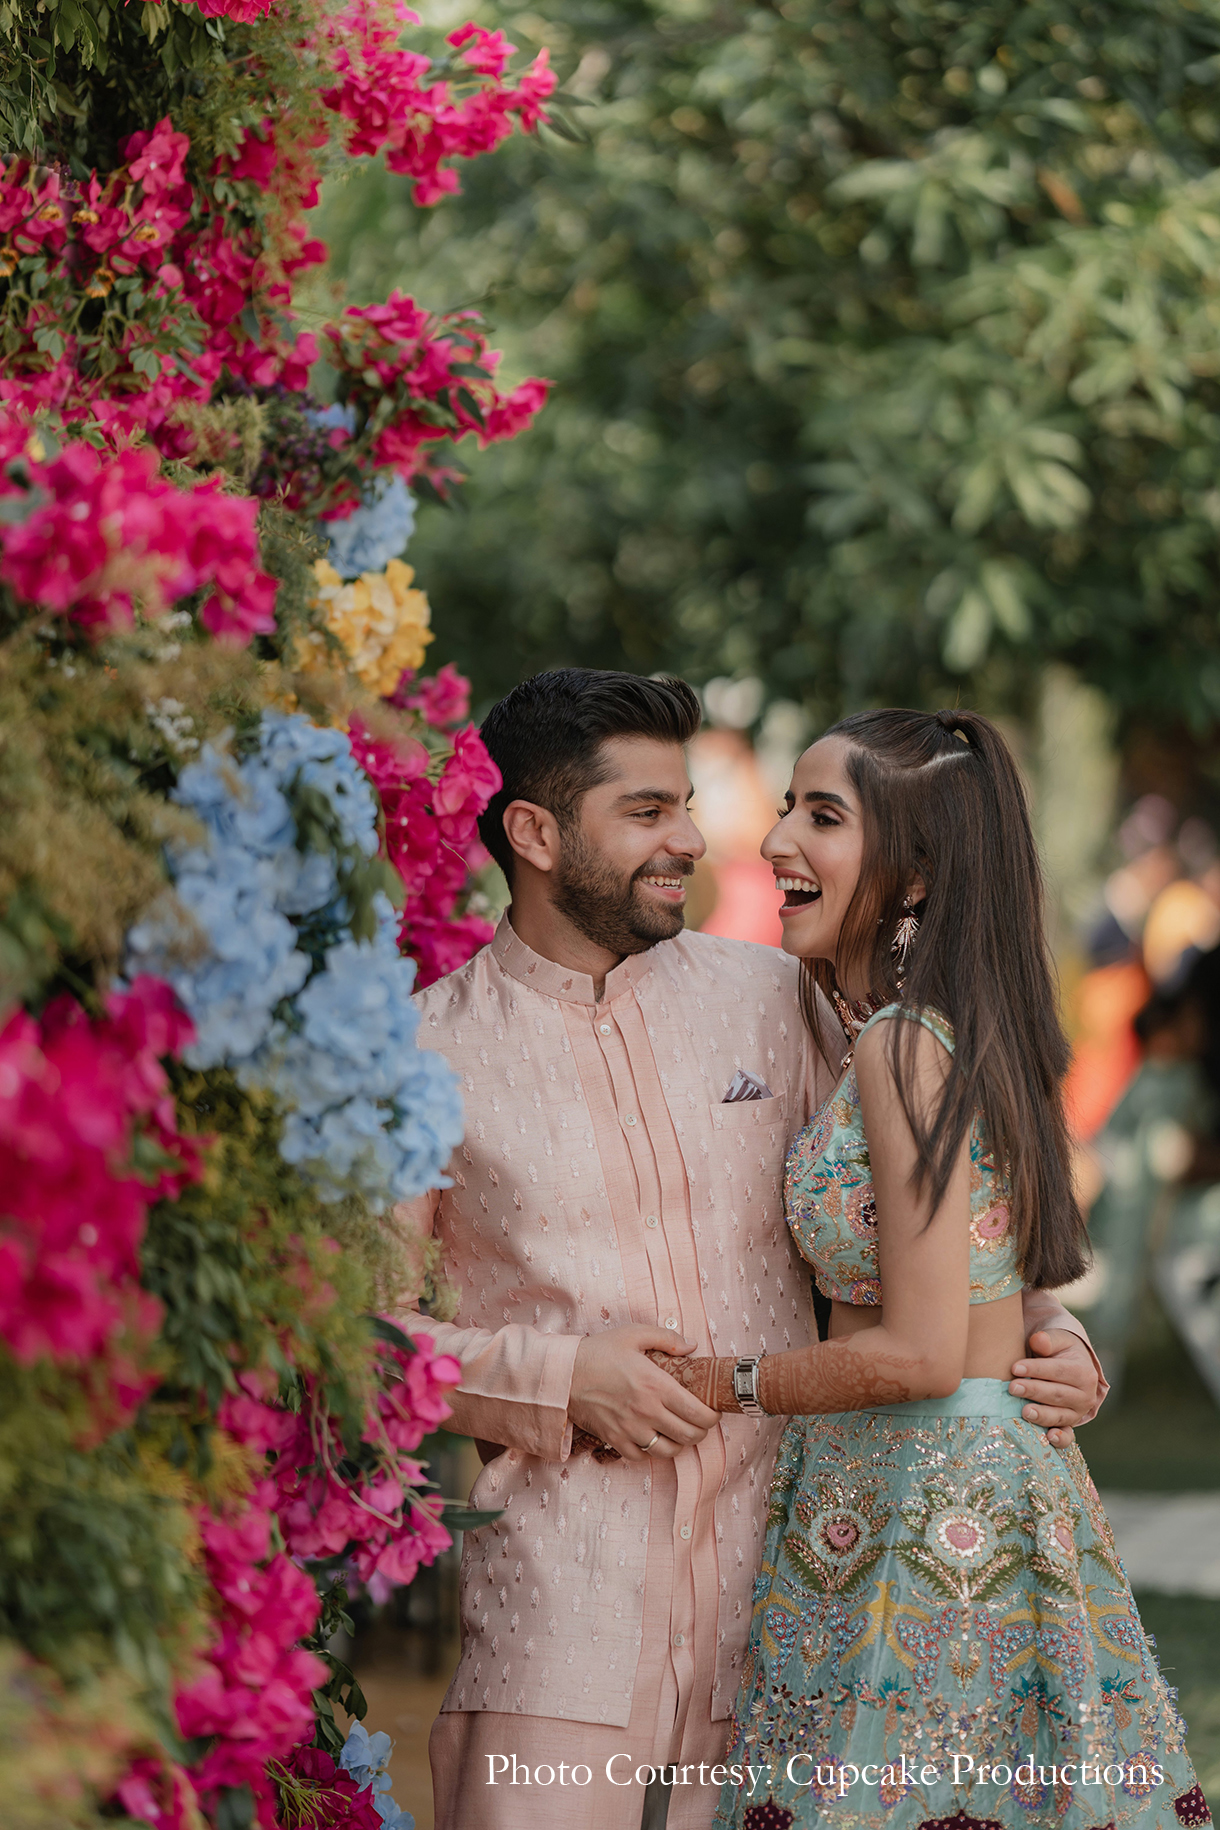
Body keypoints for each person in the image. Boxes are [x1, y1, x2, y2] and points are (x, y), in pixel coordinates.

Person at [397, 672, 1108, 1830]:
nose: (692, 838)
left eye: (686, 804)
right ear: (531, 833)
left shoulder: (781, 996)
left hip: (798, 1621)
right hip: (559, 1633)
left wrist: (1038, 1327)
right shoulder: (421, 1054)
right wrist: (560, 1378)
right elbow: (361, 1336)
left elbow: (926, 1207)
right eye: (646, 813)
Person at [642, 708, 1207, 1830]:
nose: (774, 841)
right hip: (934, 1481)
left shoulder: (904, 1047)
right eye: (789, 805)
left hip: (930, 1500)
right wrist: (1061, 1337)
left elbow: (918, 1351)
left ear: (910, 876)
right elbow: (999, 1272)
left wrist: (716, 1383)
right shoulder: (925, 1030)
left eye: (823, 816)